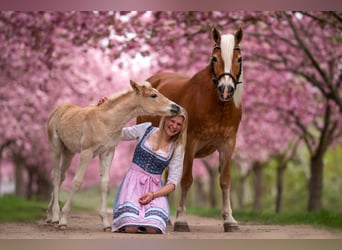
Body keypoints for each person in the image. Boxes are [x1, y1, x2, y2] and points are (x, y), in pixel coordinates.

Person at [97, 97, 188, 234]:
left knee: (153, 228)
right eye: (172, 121)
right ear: (166, 118)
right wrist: (106, 110)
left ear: (182, 128)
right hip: (132, 185)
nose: (174, 126)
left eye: (179, 124)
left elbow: (173, 183)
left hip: (155, 191)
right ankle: (134, 221)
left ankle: (146, 222)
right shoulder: (146, 129)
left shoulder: (177, 148)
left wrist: (153, 194)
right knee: (130, 227)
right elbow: (119, 133)